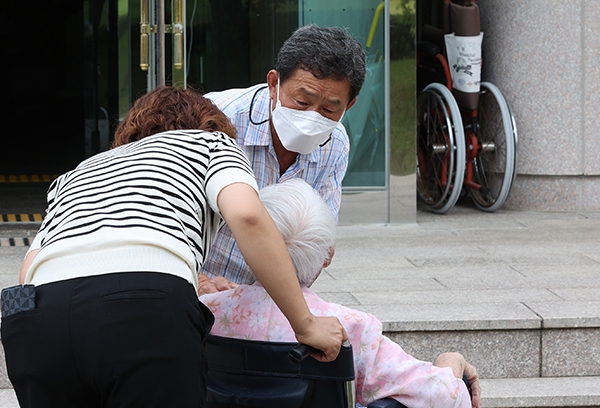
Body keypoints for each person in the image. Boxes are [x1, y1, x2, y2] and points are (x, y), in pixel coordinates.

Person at [0, 86, 347, 408]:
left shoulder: (79, 171)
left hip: (32, 323)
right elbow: (248, 216)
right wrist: (305, 324)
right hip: (141, 311)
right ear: (211, 125)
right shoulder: (210, 144)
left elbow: (29, 269)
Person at [200, 179, 482, 408]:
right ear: (328, 256)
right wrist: (451, 360)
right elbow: (446, 399)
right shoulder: (349, 329)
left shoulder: (204, 312)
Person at [200, 24, 367, 286]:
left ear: (349, 105)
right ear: (274, 84)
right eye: (302, 102)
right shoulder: (216, 120)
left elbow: (318, 246)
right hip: (197, 287)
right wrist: (198, 282)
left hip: (272, 297)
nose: (312, 116)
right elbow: (159, 219)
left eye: (329, 109)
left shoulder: (335, 144)